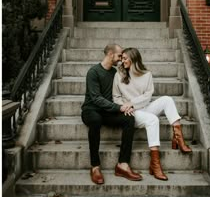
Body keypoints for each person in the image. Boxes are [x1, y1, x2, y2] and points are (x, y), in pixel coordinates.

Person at [112, 47, 192, 181]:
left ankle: (178, 137)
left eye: (125, 58)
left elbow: (147, 96)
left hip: (143, 107)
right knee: (153, 120)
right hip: (131, 113)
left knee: (167, 99)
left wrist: (131, 102)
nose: (122, 61)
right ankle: (155, 165)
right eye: (122, 58)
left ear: (133, 59)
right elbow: (116, 96)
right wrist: (125, 107)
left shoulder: (146, 74)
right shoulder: (118, 74)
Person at [81, 44, 142, 185]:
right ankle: (95, 166)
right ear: (110, 54)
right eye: (119, 55)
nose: (121, 59)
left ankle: (123, 164)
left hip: (108, 111)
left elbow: (127, 87)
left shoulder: (115, 73)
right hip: (91, 110)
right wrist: (119, 107)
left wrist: (127, 106)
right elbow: (96, 99)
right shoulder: (93, 72)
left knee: (129, 119)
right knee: (95, 120)